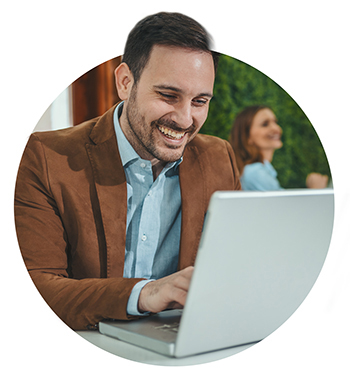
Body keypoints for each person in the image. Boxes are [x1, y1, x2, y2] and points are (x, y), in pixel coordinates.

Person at [14, 12, 241, 331]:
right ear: (125, 82)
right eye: (168, 95)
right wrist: (144, 294)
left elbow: (235, 268)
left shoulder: (219, 158)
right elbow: (36, 288)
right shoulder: (44, 157)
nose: (185, 119)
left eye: (200, 101)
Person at [229, 105, 328, 191]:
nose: (276, 128)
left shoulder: (261, 170)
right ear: (247, 137)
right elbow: (286, 210)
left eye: (275, 122)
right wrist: (316, 189)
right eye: (265, 124)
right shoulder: (255, 172)